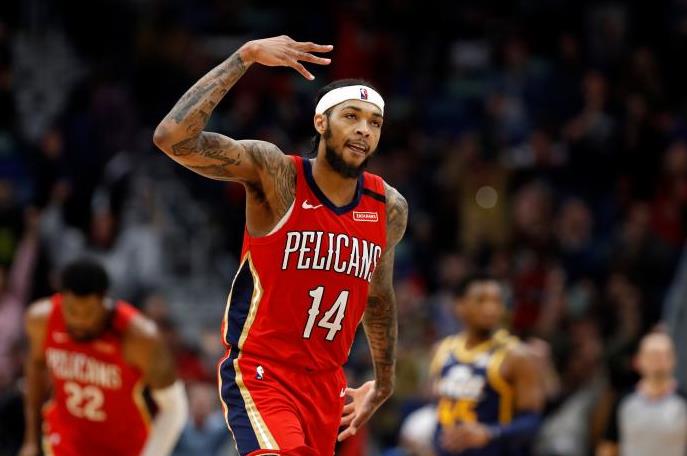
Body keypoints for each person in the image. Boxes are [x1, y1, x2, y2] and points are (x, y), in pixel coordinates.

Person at [153, 35, 408, 455]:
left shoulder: (388, 207)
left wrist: (384, 380)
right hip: (263, 372)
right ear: (321, 122)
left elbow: (377, 297)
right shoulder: (277, 176)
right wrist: (244, 57)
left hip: (327, 384)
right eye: (351, 116)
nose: (364, 129)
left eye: (375, 122)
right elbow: (172, 137)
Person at [20, 259, 188, 456]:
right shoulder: (41, 320)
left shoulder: (140, 337)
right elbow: (35, 369)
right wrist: (31, 440)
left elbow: (174, 409)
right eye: (72, 311)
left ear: (104, 301)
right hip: (65, 442)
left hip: (125, 448)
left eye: (88, 312)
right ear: (61, 299)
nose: (79, 320)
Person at [429, 272, 544, 455]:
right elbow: (439, 410)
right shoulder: (441, 350)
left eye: (496, 301)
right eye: (481, 300)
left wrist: (490, 432)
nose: (490, 308)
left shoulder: (517, 356)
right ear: (459, 305)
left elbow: (532, 422)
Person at [596, 331, 687, 456]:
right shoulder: (624, 401)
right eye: (653, 355)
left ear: (674, 359)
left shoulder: (683, 402)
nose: (658, 361)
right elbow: (608, 446)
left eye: (663, 355)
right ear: (638, 361)